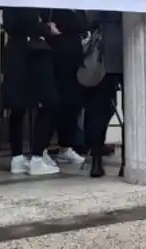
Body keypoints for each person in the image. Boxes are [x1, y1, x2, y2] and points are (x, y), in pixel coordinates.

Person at [1, 7, 61, 176]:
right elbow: (29, 23)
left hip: (14, 50)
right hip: (32, 53)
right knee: (49, 103)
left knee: (17, 107)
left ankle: (17, 158)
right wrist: (47, 28)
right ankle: (36, 158)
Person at [46, 9, 90, 167]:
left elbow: (84, 24)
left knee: (73, 104)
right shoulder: (54, 7)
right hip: (57, 60)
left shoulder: (78, 8)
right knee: (55, 104)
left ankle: (66, 146)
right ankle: (42, 148)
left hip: (74, 61)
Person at [82, 10, 123, 178]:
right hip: (123, 50)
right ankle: (126, 161)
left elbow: (89, 19)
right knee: (127, 111)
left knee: (99, 110)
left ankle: (96, 161)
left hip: (105, 58)